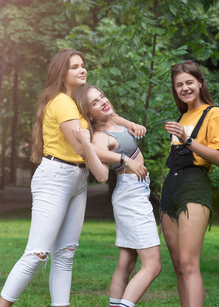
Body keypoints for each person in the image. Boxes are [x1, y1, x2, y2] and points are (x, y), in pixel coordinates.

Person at [0, 49, 147, 307]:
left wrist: (128, 122)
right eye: (74, 67)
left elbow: (101, 114)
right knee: (37, 253)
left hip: (77, 178)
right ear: (61, 74)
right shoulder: (62, 103)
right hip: (56, 177)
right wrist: (122, 159)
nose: (82, 70)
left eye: (83, 65)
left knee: (66, 254)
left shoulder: (75, 103)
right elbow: (81, 147)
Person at [73, 84, 162, 307]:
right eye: (95, 102)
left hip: (132, 193)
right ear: (89, 114)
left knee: (127, 261)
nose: (103, 101)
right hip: (131, 197)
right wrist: (125, 159)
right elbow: (94, 148)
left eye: (102, 96)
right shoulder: (102, 136)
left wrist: (132, 124)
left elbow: (115, 116)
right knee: (152, 265)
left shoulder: (112, 120)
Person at [161, 60, 219, 307]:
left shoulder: (214, 113)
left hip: (194, 186)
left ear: (200, 83)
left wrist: (187, 139)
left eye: (189, 82)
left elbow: (218, 158)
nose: (184, 88)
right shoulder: (184, 116)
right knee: (178, 265)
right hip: (171, 188)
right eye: (179, 85)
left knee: (189, 263)